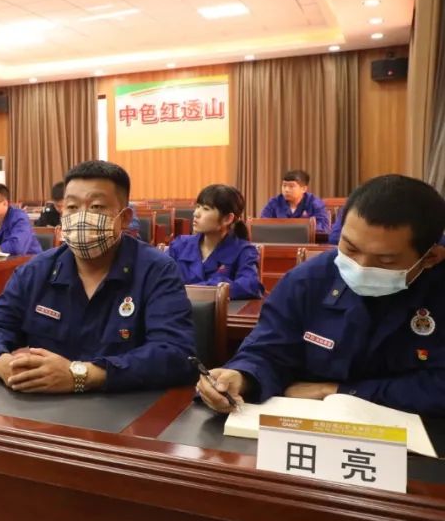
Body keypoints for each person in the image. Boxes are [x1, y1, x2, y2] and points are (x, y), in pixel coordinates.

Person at [198, 174, 445, 417]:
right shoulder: (307, 280)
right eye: (350, 248)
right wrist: (242, 376)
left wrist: (337, 391)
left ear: (431, 257)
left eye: (386, 260)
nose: (360, 266)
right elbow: (269, 349)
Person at [0, 161, 195, 393]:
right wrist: (3, 364)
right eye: (72, 207)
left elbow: (175, 354)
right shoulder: (36, 271)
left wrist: (81, 375)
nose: (81, 217)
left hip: (127, 405)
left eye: (96, 206)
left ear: (124, 218)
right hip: (44, 407)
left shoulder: (156, 270)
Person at [166, 184, 263, 300]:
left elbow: (250, 285)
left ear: (227, 219)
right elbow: (159, 278)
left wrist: (206, 288)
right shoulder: (180, 245)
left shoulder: (244, 251)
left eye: (206, 209)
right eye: (198, 206)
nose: (196, 213)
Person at [260, 169, 330, 232]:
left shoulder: (315, 203)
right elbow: (262, 223)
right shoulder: (274, 202)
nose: (286, 190)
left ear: (304, 189)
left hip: (305, 241)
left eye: (291, 186)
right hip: (279, 240)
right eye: (284, 185)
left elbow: (323, 227)